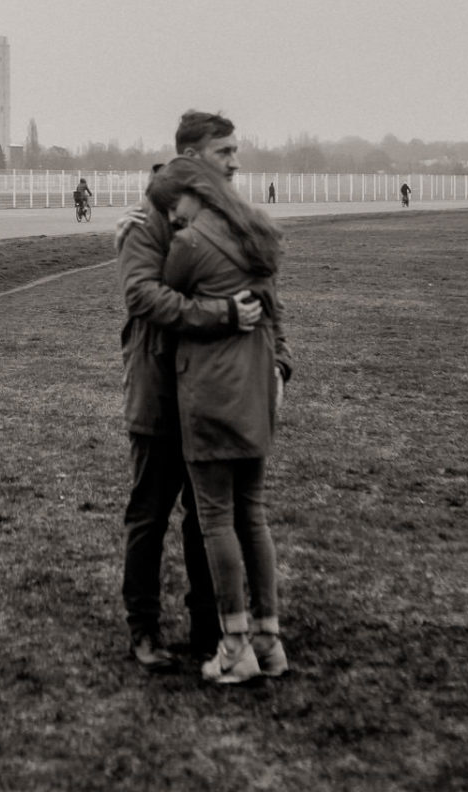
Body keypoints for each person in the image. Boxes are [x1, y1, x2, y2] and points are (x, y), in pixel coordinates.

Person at [115, 112, 262, 672]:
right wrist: (220, 314)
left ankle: (209, 628)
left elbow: (260, 289)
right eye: (224, 151)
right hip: (157, 386)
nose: (235, 162)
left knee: (208, 517)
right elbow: (142, 298)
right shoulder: (149, 218)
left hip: (210, 390)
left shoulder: (228, 216)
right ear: (193, 157)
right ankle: (144, 629)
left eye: (234, 150)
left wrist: (281, 360)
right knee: (149, 513)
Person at [146, 155, 293, 685]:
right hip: (256, 390)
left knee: (214, 520)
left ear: (192, 193)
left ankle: (233, 645)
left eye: (174, 205)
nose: (173, 216)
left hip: (210, 393)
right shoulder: (255, 232)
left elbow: (159, 298)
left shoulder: (189, 245)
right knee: (253, 517)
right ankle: (268, 640)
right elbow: (274, 314)